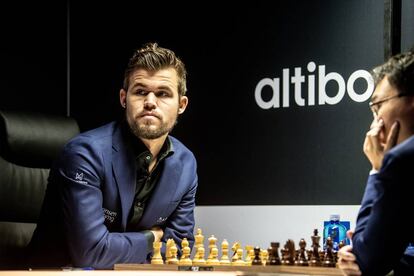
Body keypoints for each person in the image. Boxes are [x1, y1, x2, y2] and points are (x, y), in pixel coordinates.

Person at [28, 42, 198, 269]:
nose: (150, 101)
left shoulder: (186, 163)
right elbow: (91, 252)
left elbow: (179, 248)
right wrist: (152, 238)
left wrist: (116, 247)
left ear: (181, 105)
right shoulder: (85, 154)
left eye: (163, 94)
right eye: (140, 91)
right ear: (123, 98)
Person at [338, 50, 414, 275]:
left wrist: (378, 168)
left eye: (378, 105)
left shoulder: (402, 161)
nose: (375, 122)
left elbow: (366, 259)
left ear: (411, 100)